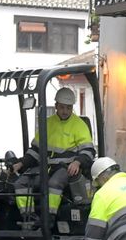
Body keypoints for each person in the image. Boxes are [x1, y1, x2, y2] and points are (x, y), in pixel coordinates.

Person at [25, 86, 95, 216]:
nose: (65, 111)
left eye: (68, 108)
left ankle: (49, 218)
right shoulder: (47, 123)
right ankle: (28, 217)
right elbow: (35, 150)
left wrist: (77, 162)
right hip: (46, 167)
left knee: (54, 184)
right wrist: (21, 164)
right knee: (23, 182)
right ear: (56, 105)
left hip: (67, 168)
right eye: (62, 107)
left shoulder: (79, 125)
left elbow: (89, 151)